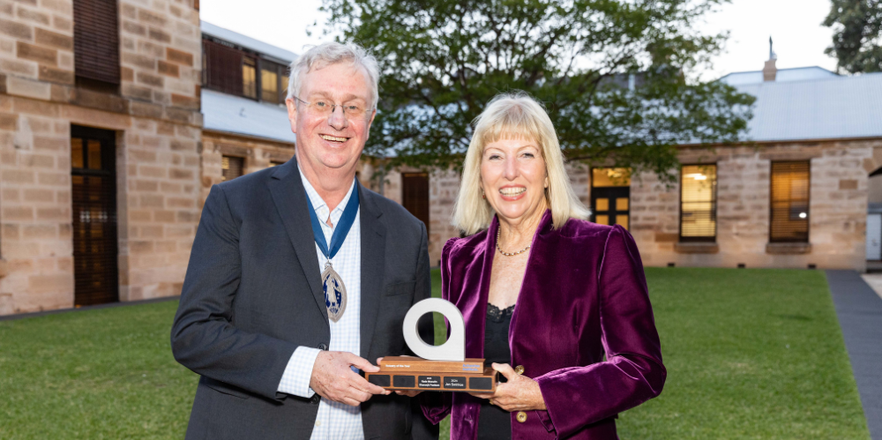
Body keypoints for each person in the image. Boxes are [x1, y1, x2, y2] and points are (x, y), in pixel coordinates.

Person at [171, 42, 437, 440]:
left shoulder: (406, 231)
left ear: (370, 119)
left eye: (352, 106)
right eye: (321, 103)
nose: (337, 120)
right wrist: (308, 368)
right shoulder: (235, 205)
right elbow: (193, 333)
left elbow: (418, 369)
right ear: (293, 111)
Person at [420, 92, 666, 439]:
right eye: (495, 156)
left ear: (548, 170)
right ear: (478, 174)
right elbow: (459, 374)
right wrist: (412, 381)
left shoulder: (600, 247)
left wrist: (542, 395)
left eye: (526, 155)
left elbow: (642, 369)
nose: (510, 172)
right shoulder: (460, 258)